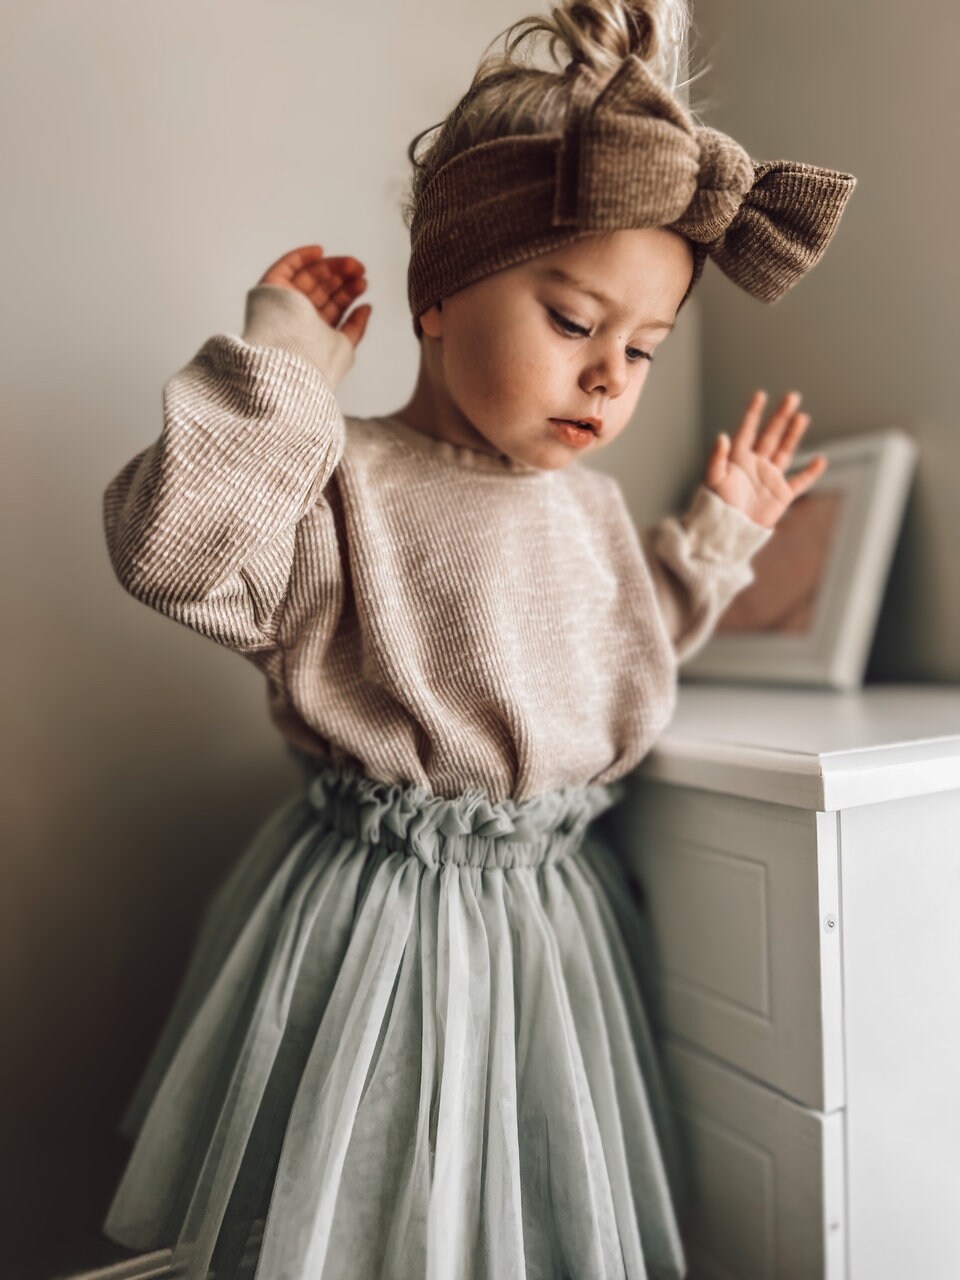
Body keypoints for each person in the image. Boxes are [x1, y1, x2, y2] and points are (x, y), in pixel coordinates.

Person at [99, 1, 855, 1277]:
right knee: (369, 1214)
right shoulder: (342, 478)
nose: (612, 376)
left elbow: (626, 646)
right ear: (437, 293)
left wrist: (719, 535)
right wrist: (278, 377)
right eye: (574, 323)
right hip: (379, 925)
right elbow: (178, 550)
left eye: (645, 349)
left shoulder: (595, 507)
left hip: (550, 921)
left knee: (524, 1210)